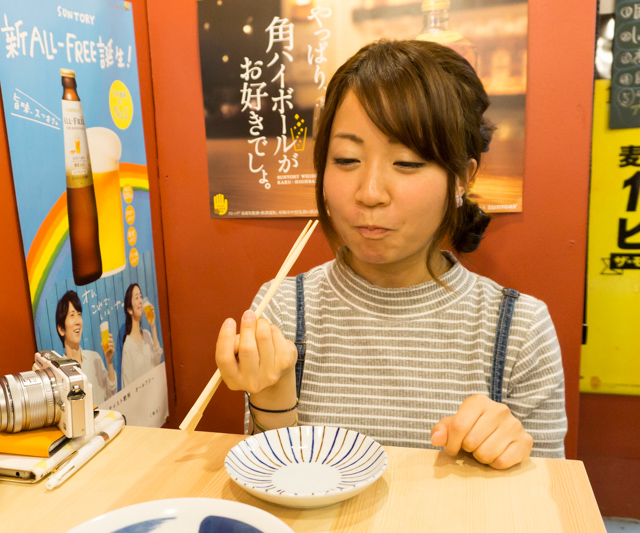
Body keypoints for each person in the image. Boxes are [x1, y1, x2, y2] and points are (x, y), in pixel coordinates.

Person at [215, 40, 566, 469]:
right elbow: (272, 481)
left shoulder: (519, 329)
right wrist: (272, 401)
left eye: (407, 162)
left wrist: (510, 455)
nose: (369, 193)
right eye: (347, 159)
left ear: (462, 178)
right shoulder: (283, 309)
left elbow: (549, 495)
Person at [56, 290, 117, 404]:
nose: (78, 321)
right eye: (72, 315)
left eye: (79, 314)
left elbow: (111, 394)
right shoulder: (60, 373)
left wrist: (109, 361)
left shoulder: (94, 358)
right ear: (61, 329)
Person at [121, 283, 163, 387]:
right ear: (129, 310)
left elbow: (157, 361)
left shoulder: (147, 334)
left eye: (140, 296)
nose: (140, 300)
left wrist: (153, 327)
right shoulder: (128, 346)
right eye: (136, 298)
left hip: (155, 391)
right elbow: (127, 385)